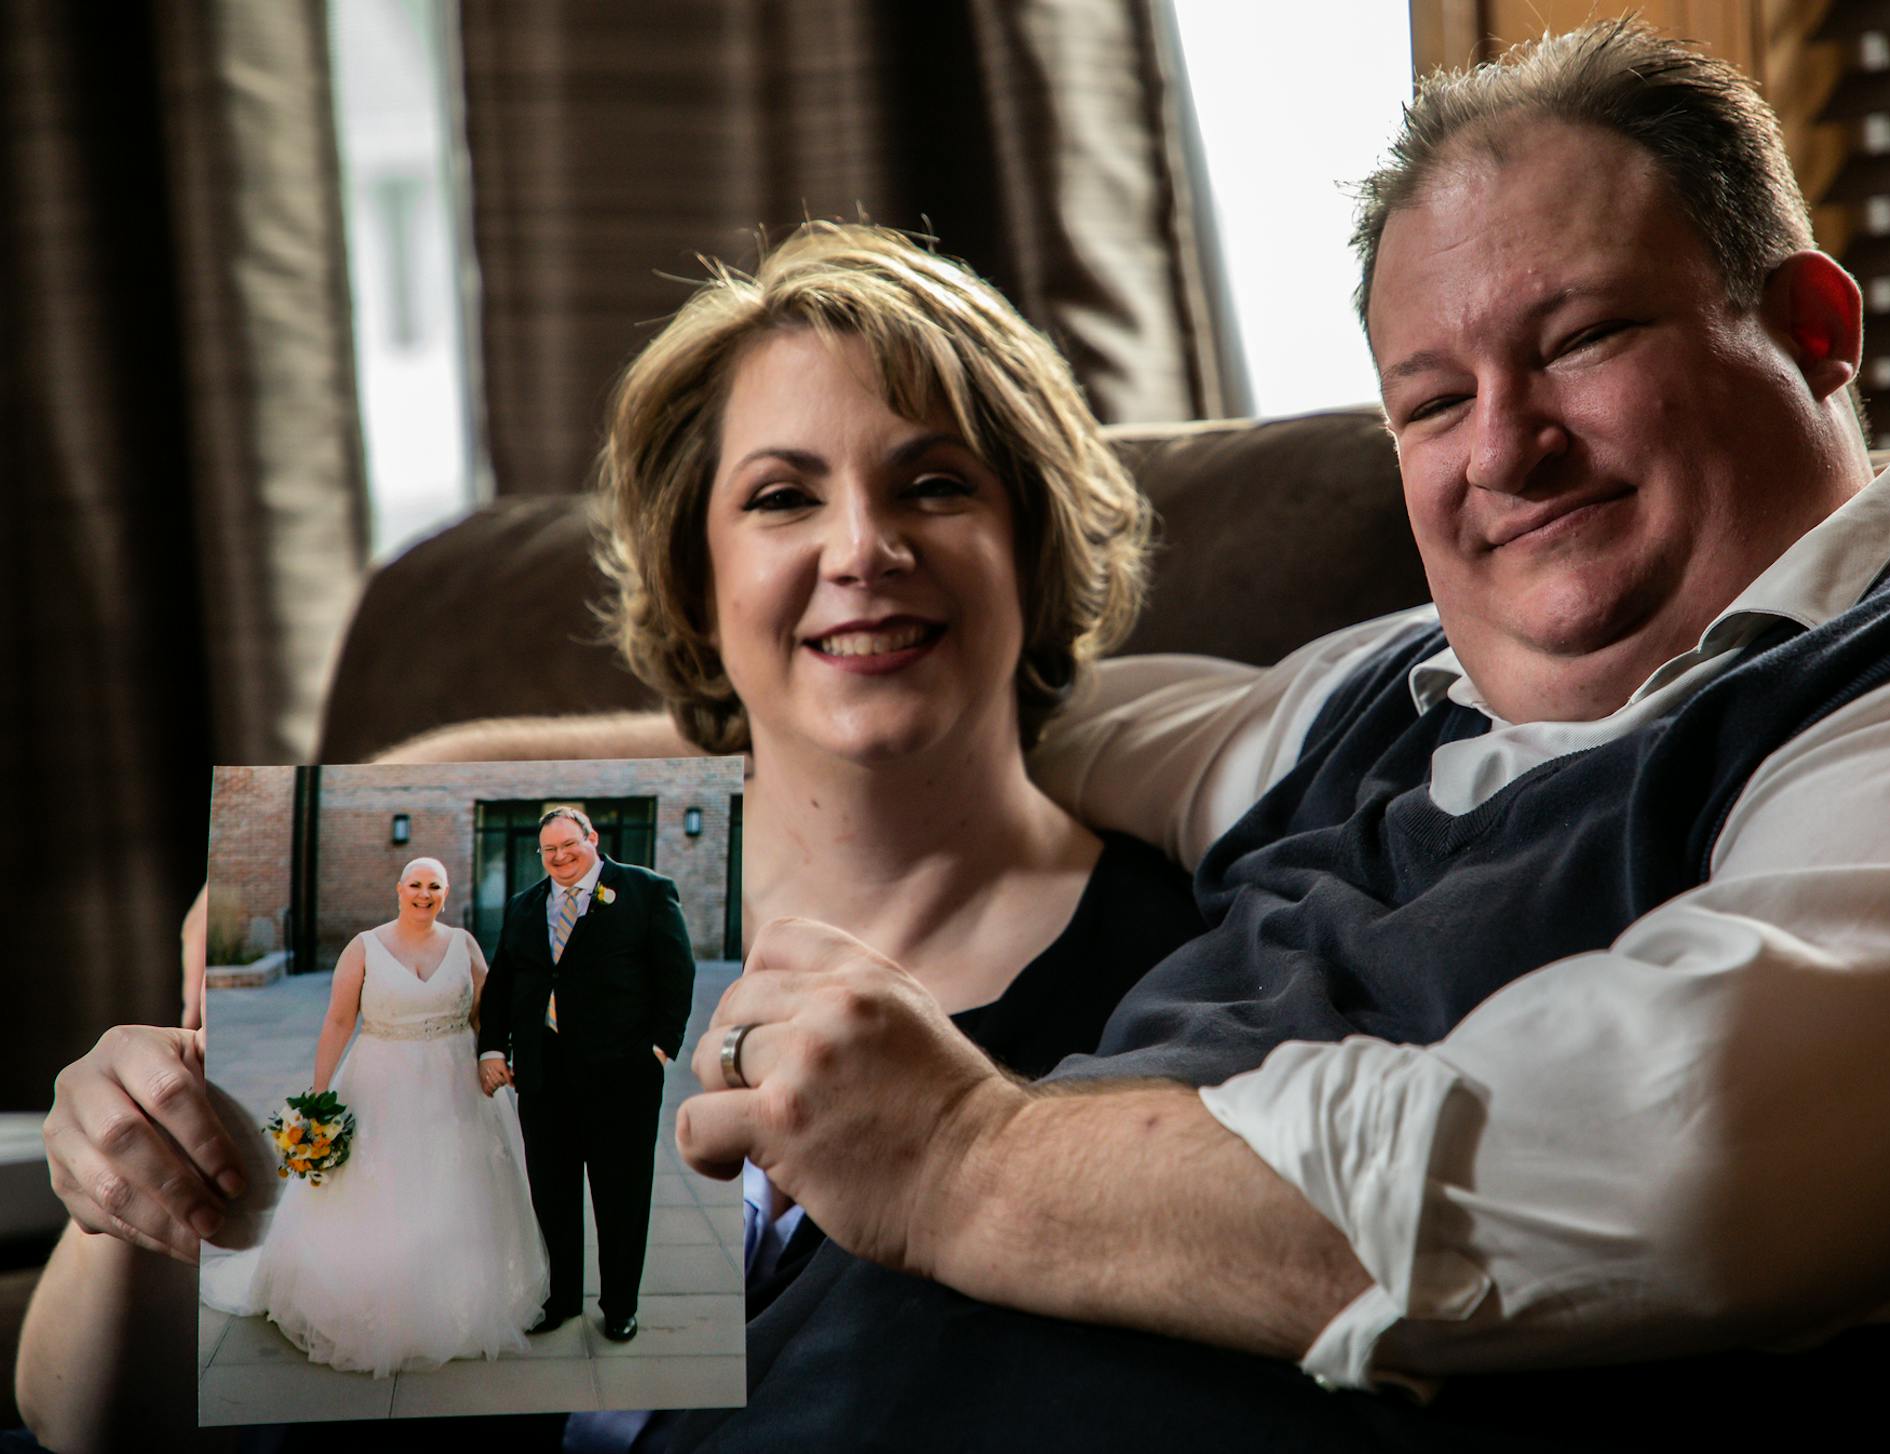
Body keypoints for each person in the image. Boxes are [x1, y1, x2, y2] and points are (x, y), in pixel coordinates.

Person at [642, 21, 1890, 1448]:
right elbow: (968, 701)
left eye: (1581, 338)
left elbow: (1675, 1170)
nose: (1504, 446)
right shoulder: (1379, 695)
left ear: (1812, 329)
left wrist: (960, 1157)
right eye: (1433, 401)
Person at [18, 221, 1203, 1450]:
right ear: (699, 581)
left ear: (1036, 542)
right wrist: (133, 1187)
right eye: (783, 497)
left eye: (936, 484)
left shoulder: (1188, 972)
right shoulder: (491, 900)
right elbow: (85, 1421)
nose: (862, 548)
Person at [199, 857, 548, 1377]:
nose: (424, 894)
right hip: (381, 1079)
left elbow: (485, 1013)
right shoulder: (365, 947)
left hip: (454, 1080)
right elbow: (340, 1021)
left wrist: (494, 1056)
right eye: (416, 885)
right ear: (399, 889)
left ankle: (452, 1295)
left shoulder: (464, 945)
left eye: (434, 886)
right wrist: (318, 1096)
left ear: (446, 894)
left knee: (456, 1183)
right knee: (382, 1184)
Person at [476, 805, 695, 1343]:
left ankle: (620, 1305)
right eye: (549, 850)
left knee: (622, 1194)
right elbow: (503, 983)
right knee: (551, 1193)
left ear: (592, 838)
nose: (560, 857)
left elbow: (677, 973)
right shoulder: (525, 905)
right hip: (542, 1075)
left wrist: (660, 1049)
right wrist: (491, 1048)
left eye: (569, 845)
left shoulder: (646, 890)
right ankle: (561, 1298)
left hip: (623, 1076)